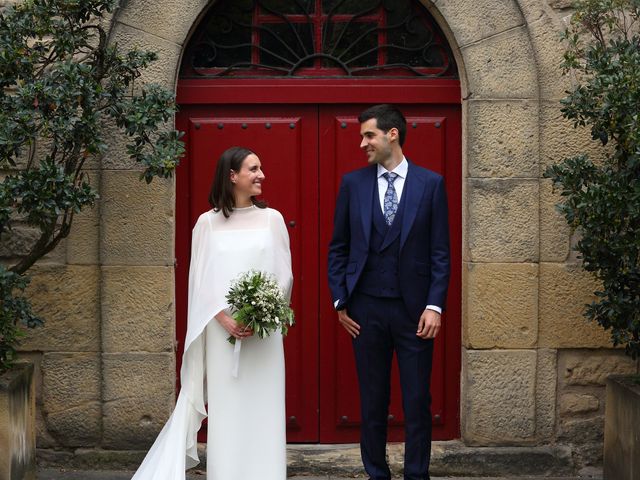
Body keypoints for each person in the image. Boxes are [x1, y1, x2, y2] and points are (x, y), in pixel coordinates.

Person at [132, 146, 293, 480]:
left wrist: (260, 314)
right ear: (232, 176)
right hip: (222, 334)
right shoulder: (206, 224)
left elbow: (284, 274)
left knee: (264, 408)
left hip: (263, 335)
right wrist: (225, 319)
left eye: (261, 167)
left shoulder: (272, 219)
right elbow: (200, 280)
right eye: (254, 168)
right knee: (230, 409)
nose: (261, 174)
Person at [327, 104, 450, 480]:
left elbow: (440, 252)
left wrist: (434, 305)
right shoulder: (353, 184)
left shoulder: (431, 184)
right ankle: (376, 474)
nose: (362, 142)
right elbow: (339, 248)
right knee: (373, 402)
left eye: (369, 135)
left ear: (391, 134)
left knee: (416, 401)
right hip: (365, 312)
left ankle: (417, 475)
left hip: (415, 313)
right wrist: (340, 301)